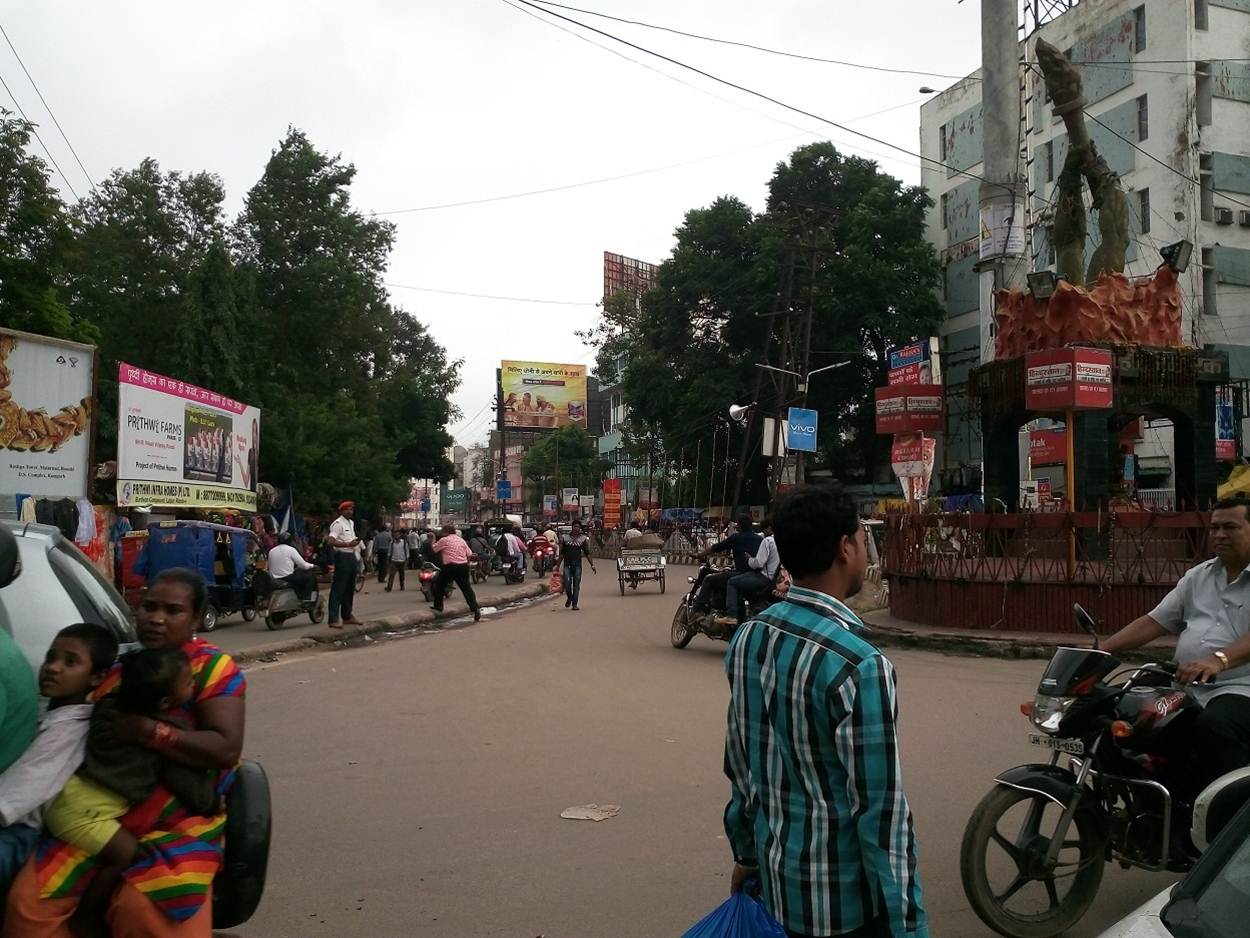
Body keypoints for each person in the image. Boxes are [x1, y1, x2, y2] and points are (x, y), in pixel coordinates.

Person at [723, 485, 928, 938]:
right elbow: (883, 817)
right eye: (861, 537)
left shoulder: (749, 640)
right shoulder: (860, 665)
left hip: (777, 892)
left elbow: (741, 768)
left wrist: (746, 854)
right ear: (845, 548)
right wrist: (909, 928)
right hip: (843, 910)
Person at [5, 567, 247, 938]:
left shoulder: (212, 668)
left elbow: (225, 748)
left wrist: (151, 732)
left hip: (179, 821)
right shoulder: (117, 670)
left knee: (146, 910)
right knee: (28, 904)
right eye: (148, 607)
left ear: (197, 617)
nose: (156, 619)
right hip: (102, 810)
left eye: (173, 610)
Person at [1100, 494, 1250, 808]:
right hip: (1188, 689)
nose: (1219, 535)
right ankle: (1141, 810)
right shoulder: (1199, 577)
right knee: (1115, 716)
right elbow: (1153, 623)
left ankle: (1231, 820)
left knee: (1213, 728)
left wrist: (1217, 661)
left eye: (1230, 527)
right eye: (1214, 528)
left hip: (1240, 689)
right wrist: (1101, 650)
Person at [0, 625, 116, 889]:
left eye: (70, 662)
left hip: (19, 832)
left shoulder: (69, 730)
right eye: (51, 657)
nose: (52, 667)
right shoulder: (45, 708)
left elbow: (17, 794)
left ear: (97, 678)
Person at [696, 514, 762, 616]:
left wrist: (699, 555)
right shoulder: (760, 539)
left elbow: (716, 548)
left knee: (709, 579)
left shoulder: (736, 538)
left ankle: (698, 611)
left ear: (739, 526)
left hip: (742, 574)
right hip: (757, 576)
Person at [723, 519, 780, 626]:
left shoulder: (768, 541)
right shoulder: (785, 542)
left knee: (732, 582)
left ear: (770, 528)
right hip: (779, 581)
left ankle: (731, 615)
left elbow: (758, 563)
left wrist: (749, 559)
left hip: (765, 579)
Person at [431, 525, 481, 621]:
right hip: (462, 566)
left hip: (450, 566)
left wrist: (433, 538)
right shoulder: (461, 540)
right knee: (467, 589)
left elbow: (434, 549)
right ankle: (475, 608)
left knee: (439, 585)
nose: (441, 533)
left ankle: (438, 606)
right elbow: (469, 553)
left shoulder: (444, 540)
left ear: (446, 532)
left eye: (442, 531)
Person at [326, 501, 362, 627]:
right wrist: (347, 544)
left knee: (349, 587)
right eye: (347, 510)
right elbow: (330, 541)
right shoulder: (337, 524)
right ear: (341, 511)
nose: (350, 512)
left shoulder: (351, 523)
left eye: (351, 510)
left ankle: (347, 616)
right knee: (338, 588)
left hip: (351, 555)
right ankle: (333, 618)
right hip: (342, 556)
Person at [268, 533, 317, 602]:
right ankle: (306, 600)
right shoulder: (291, 550)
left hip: (273, 579)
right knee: (309, 578)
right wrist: (313, 566)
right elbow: (304, 566)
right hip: (287, 578)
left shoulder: (271, 551)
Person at [559, 522, 596, 611]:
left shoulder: (582, 539)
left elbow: (587, 553)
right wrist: (557, 566)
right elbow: (561, 554)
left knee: (576, 585)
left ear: (580, 529)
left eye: (578, 527)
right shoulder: (565, 538)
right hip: (567, 564)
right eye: (575, 527)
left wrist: (592, 565)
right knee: (567, 584)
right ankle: (569, 597)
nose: (576, 528)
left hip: (577, 565)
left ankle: (574, 604)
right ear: (572, 528)